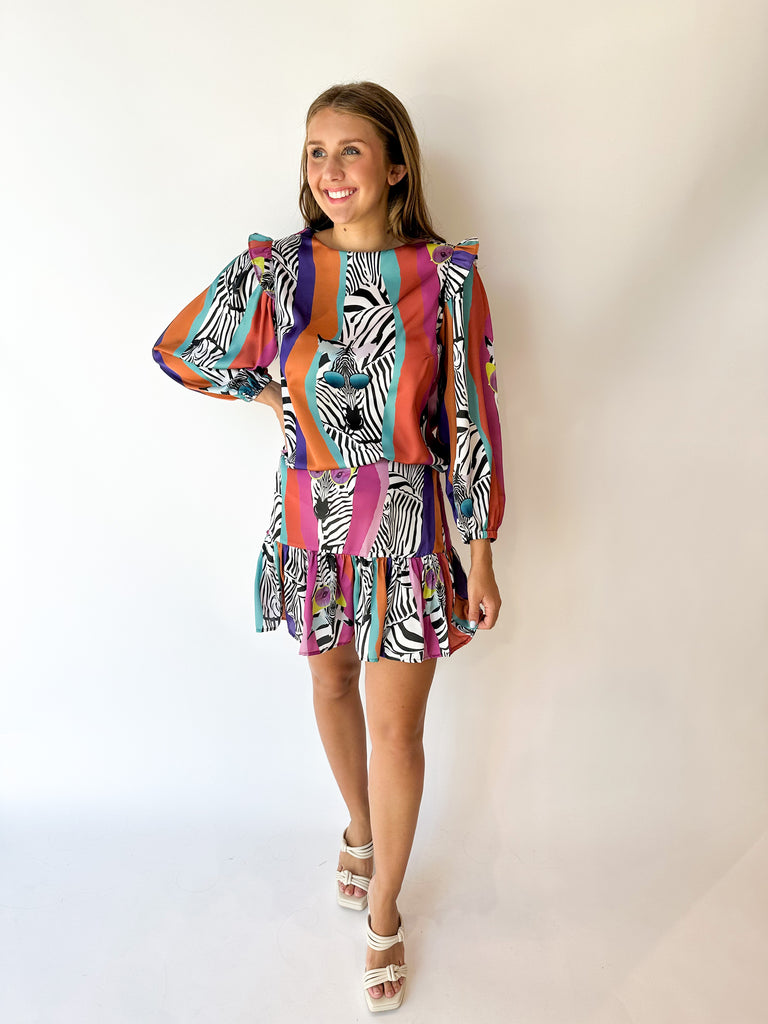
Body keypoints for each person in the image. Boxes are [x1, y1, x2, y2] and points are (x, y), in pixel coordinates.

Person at [153, 80, 505, 1013]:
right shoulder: (277, 270)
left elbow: (470, 416)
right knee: (330, 682)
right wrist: (260, 391)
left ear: (395, 168)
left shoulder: (446, 279)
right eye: (316, 150)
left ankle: (385, 911)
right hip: (311, 525)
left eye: (350, 150)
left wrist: (480, 551)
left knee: (399, 730)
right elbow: (184, 347)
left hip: (407, 529)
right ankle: (359, 825)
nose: (330, 169)